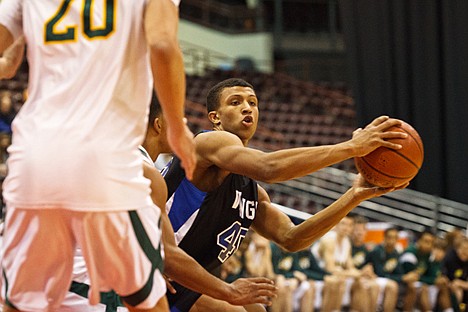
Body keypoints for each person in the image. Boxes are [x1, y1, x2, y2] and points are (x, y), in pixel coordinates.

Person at [0, 0, 196, 310]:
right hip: (104, 161)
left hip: (36, 158)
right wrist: (176, 126)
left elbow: (6, 64)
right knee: (148, 301)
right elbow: (161, 43)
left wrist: (15, 52)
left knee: (19, 302)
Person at [162, 78, 409, 311]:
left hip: (185, 280)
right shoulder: (207, 143)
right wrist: (351, 147)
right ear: (215, 118)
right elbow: (268, 167)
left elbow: (292, 238)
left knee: (254, 308)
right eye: (235, 102)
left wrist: (354, 195)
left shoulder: (252, 194)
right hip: (156, 265)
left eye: (253, 103)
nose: (247, 108)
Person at [58, 93, 277, 311]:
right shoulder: (141, 172)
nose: (185, 125)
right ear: (159, 125)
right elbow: (169, 256)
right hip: (89, 289)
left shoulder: (118, 161)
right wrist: (229, 291)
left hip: (58, 280)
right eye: (178, 118)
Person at [365, 227, 405, 312]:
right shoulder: (377, 251)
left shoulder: (395, 253)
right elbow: (380, 273)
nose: (392, 240)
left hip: (383, 279)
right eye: (390, 237)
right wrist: (401, 278)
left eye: (395, 238)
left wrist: (402, 277)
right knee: (392, 286)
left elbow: (399, 272)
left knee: (397, 285)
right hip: (372, 277)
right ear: (385, 238)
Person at [442, 236, 468, 310]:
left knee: (458, 289)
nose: (465, 252)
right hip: (448, 287)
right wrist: (450, 284)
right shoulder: (449, 258)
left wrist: (460, 283)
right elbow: (442, 276)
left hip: (462, 289)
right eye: (463, 248)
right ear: (457, 248)